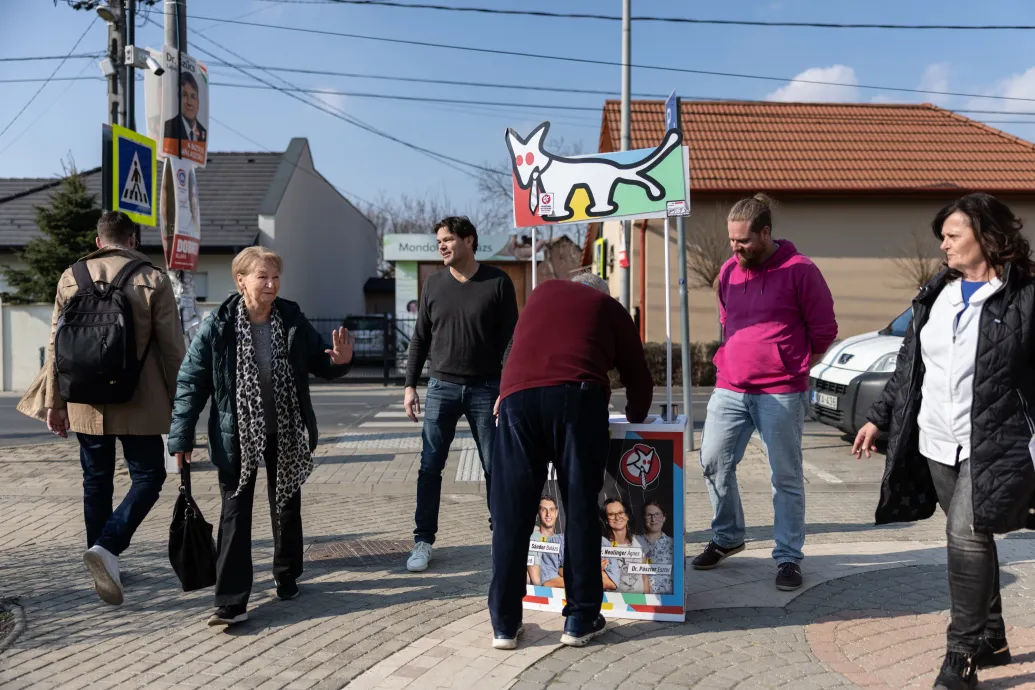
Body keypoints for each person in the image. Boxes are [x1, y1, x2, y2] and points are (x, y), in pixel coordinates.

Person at [853, 193, 1035, 690]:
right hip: (936, 437)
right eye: (944, 235)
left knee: (965, 535)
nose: (944, 244)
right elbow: (911, 362)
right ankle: (993, 637)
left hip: (994, 440)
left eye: (953, 235)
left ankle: (962, 655)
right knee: (972, 538)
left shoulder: (1024, 294)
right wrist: (879, 417)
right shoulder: (938, 291)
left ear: (987, 237)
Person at [167, 247, 354, 626]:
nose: (271, 284)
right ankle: (231, 600)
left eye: (275, 277)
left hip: (284, 429)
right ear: (241, 280)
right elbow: (190, 383)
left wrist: (341, 360)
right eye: (262, 277)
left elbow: (321, 362)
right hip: (236, 435)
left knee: (286, 504)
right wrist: (180, 437)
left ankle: (286, 575)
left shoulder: (291, 316)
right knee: (235, 513)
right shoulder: (218, 325)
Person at [16, 211, 186, 606]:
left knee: (96, 481)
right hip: (139, 399)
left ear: (98, 242)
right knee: (149, 475)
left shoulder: (70, 277)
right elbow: (173, 349)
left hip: (84, 398)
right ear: (132, 240)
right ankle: (108, 549)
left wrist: (55, 404)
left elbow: (57, 349)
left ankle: (103, 560)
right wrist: (184, 402)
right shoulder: (152, 278)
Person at [488, 272, 652, 650]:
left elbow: (514, 351)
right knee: (578, 507)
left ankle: (505, 624)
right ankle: (580, 618)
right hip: (576, 401)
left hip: (517, 402)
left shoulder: (541, 293)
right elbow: (638, 375)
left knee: (511, 512)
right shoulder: (608, 307)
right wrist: (637, 414)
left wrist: (506, 393)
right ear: (601, 294)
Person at [693, 193, 837, 592]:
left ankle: (788, 556)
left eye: (743, 241)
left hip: (781, 391)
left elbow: (823, 331)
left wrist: (790, 364)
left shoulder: (800, 270)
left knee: (785, 476)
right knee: (712, 461)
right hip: (730, 387)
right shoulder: (727, 272)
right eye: (732, 241)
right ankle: (727, 537)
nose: (736, 248)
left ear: (766, 232)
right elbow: (728, 323)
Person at [403, 216, 518, 573]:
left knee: (494, 468)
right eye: (439, 240)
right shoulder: (433, 284)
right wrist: (409, 384)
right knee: (429, 467)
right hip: (441, 387)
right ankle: (423, 541)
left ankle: (502, 536)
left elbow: (512, 341)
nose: (442, 245)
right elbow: (420, 336)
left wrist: (508, 388)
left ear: (469, 241)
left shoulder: (498, 282)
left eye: (448, 239)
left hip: (487, 389)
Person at [528, 495, 564, 587]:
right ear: (538, 513)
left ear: (556, 513)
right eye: (544, 510)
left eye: (551, 509)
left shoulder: (561, 540)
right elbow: (536, 580)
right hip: (543, 596)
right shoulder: (533, 540)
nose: (548, 514)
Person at [163, 71, 207, 142]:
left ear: (198, 101)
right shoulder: (169, 127)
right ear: (178, 98)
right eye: (184, 95)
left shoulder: (203, 132)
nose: (189, 102)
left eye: (193, 96)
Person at [641, 501, 674, 595]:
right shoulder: (635, 542)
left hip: (667, 599)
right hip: (639, 599)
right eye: (649, 515)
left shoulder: (674, 544)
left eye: (657, 514)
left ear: (664, 517)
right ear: (644, 518)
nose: (653, 519)